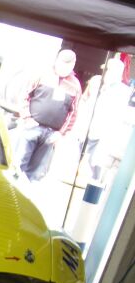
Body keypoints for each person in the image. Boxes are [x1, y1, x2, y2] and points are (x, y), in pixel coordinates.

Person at [12, 48, 82, 181]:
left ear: (73, 65)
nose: (64, 67)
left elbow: (73, 112)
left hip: (52, 134)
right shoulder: (41, 74)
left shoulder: (75, 85)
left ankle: (26, 196)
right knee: (18, 164)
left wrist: (61, 133)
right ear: (56, 61)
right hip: (31, 126)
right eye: (62, 63)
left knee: (37, 172)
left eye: (68, 65)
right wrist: (27, 118)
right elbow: (24, 95)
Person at [78, 55, 132, 183]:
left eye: (109, 71)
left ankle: (91, 185)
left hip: (103, 133)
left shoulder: (123, 91)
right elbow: (85, 99)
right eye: (106, 70)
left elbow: (118, 115)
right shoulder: (97, 81)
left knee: (95, 163)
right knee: (81, 157)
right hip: (87, 128)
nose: (106, 73)